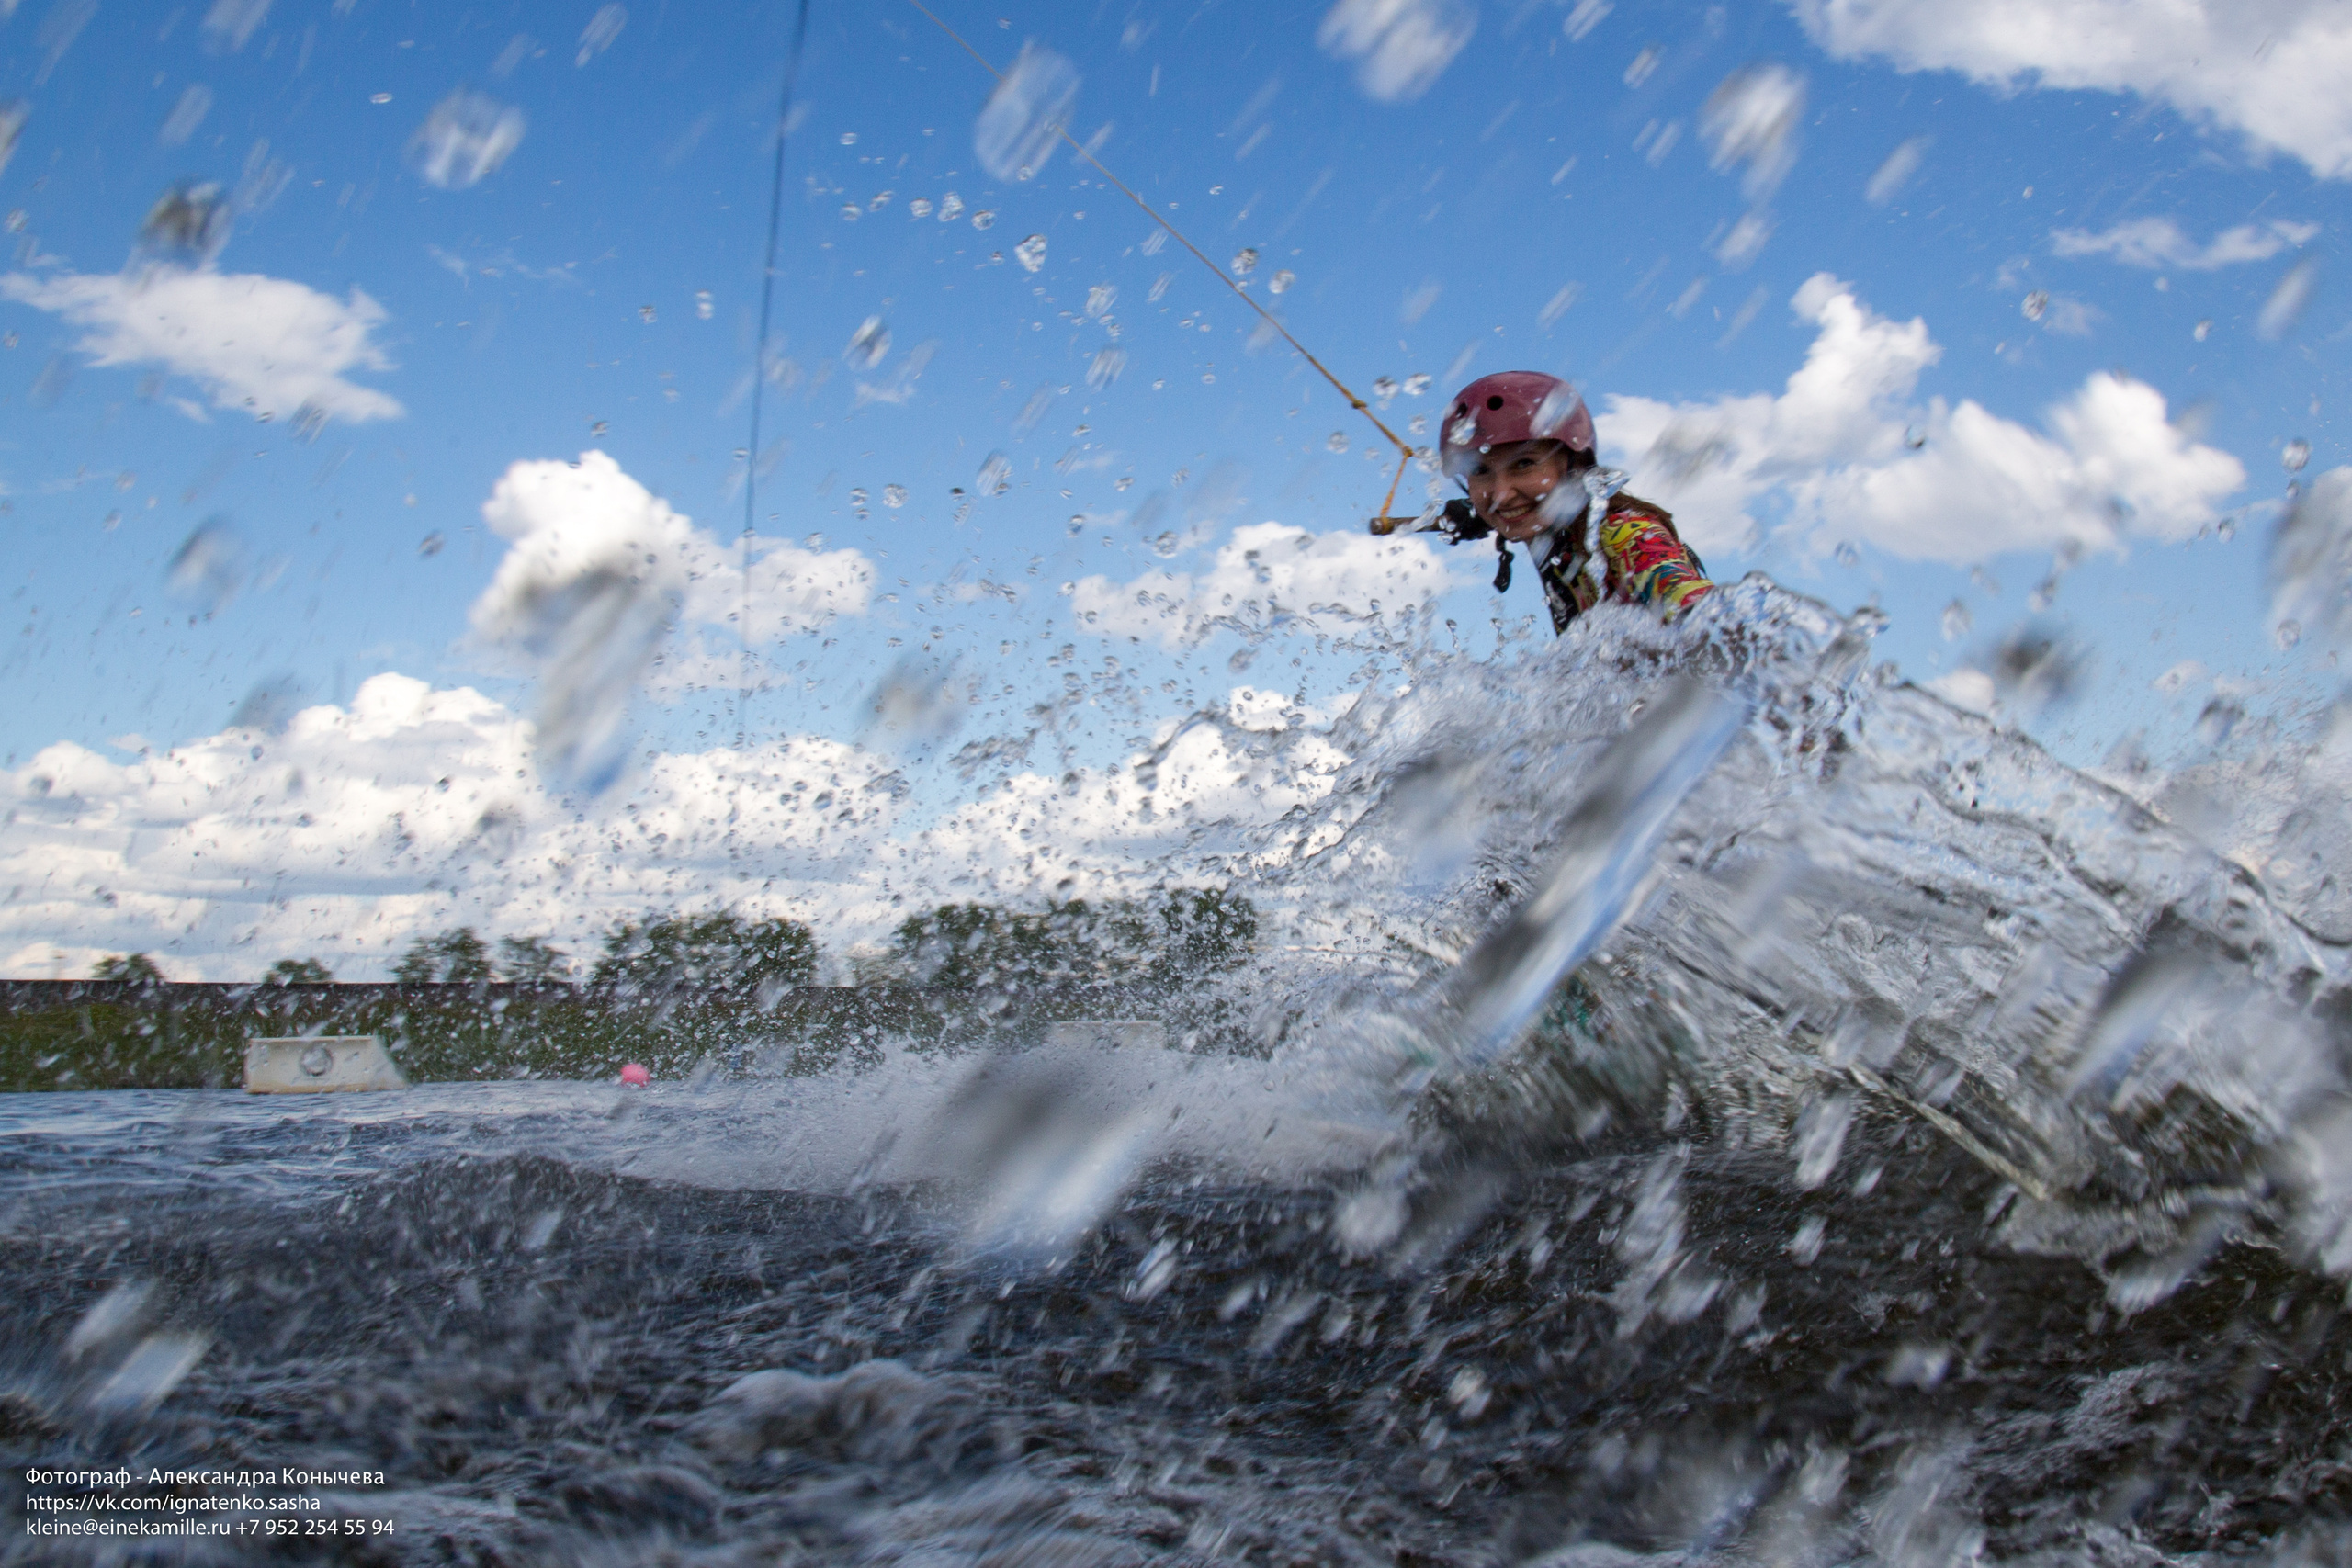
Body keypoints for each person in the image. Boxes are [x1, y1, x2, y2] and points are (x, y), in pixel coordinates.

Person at [1377, 371, 1713, 635]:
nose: (1500, 494)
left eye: (1524, 464)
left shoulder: (1625, 532)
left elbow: (1702, 610)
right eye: (1480, 472)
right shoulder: (1549, 530)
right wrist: (1472, 516)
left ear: (1573, 466)